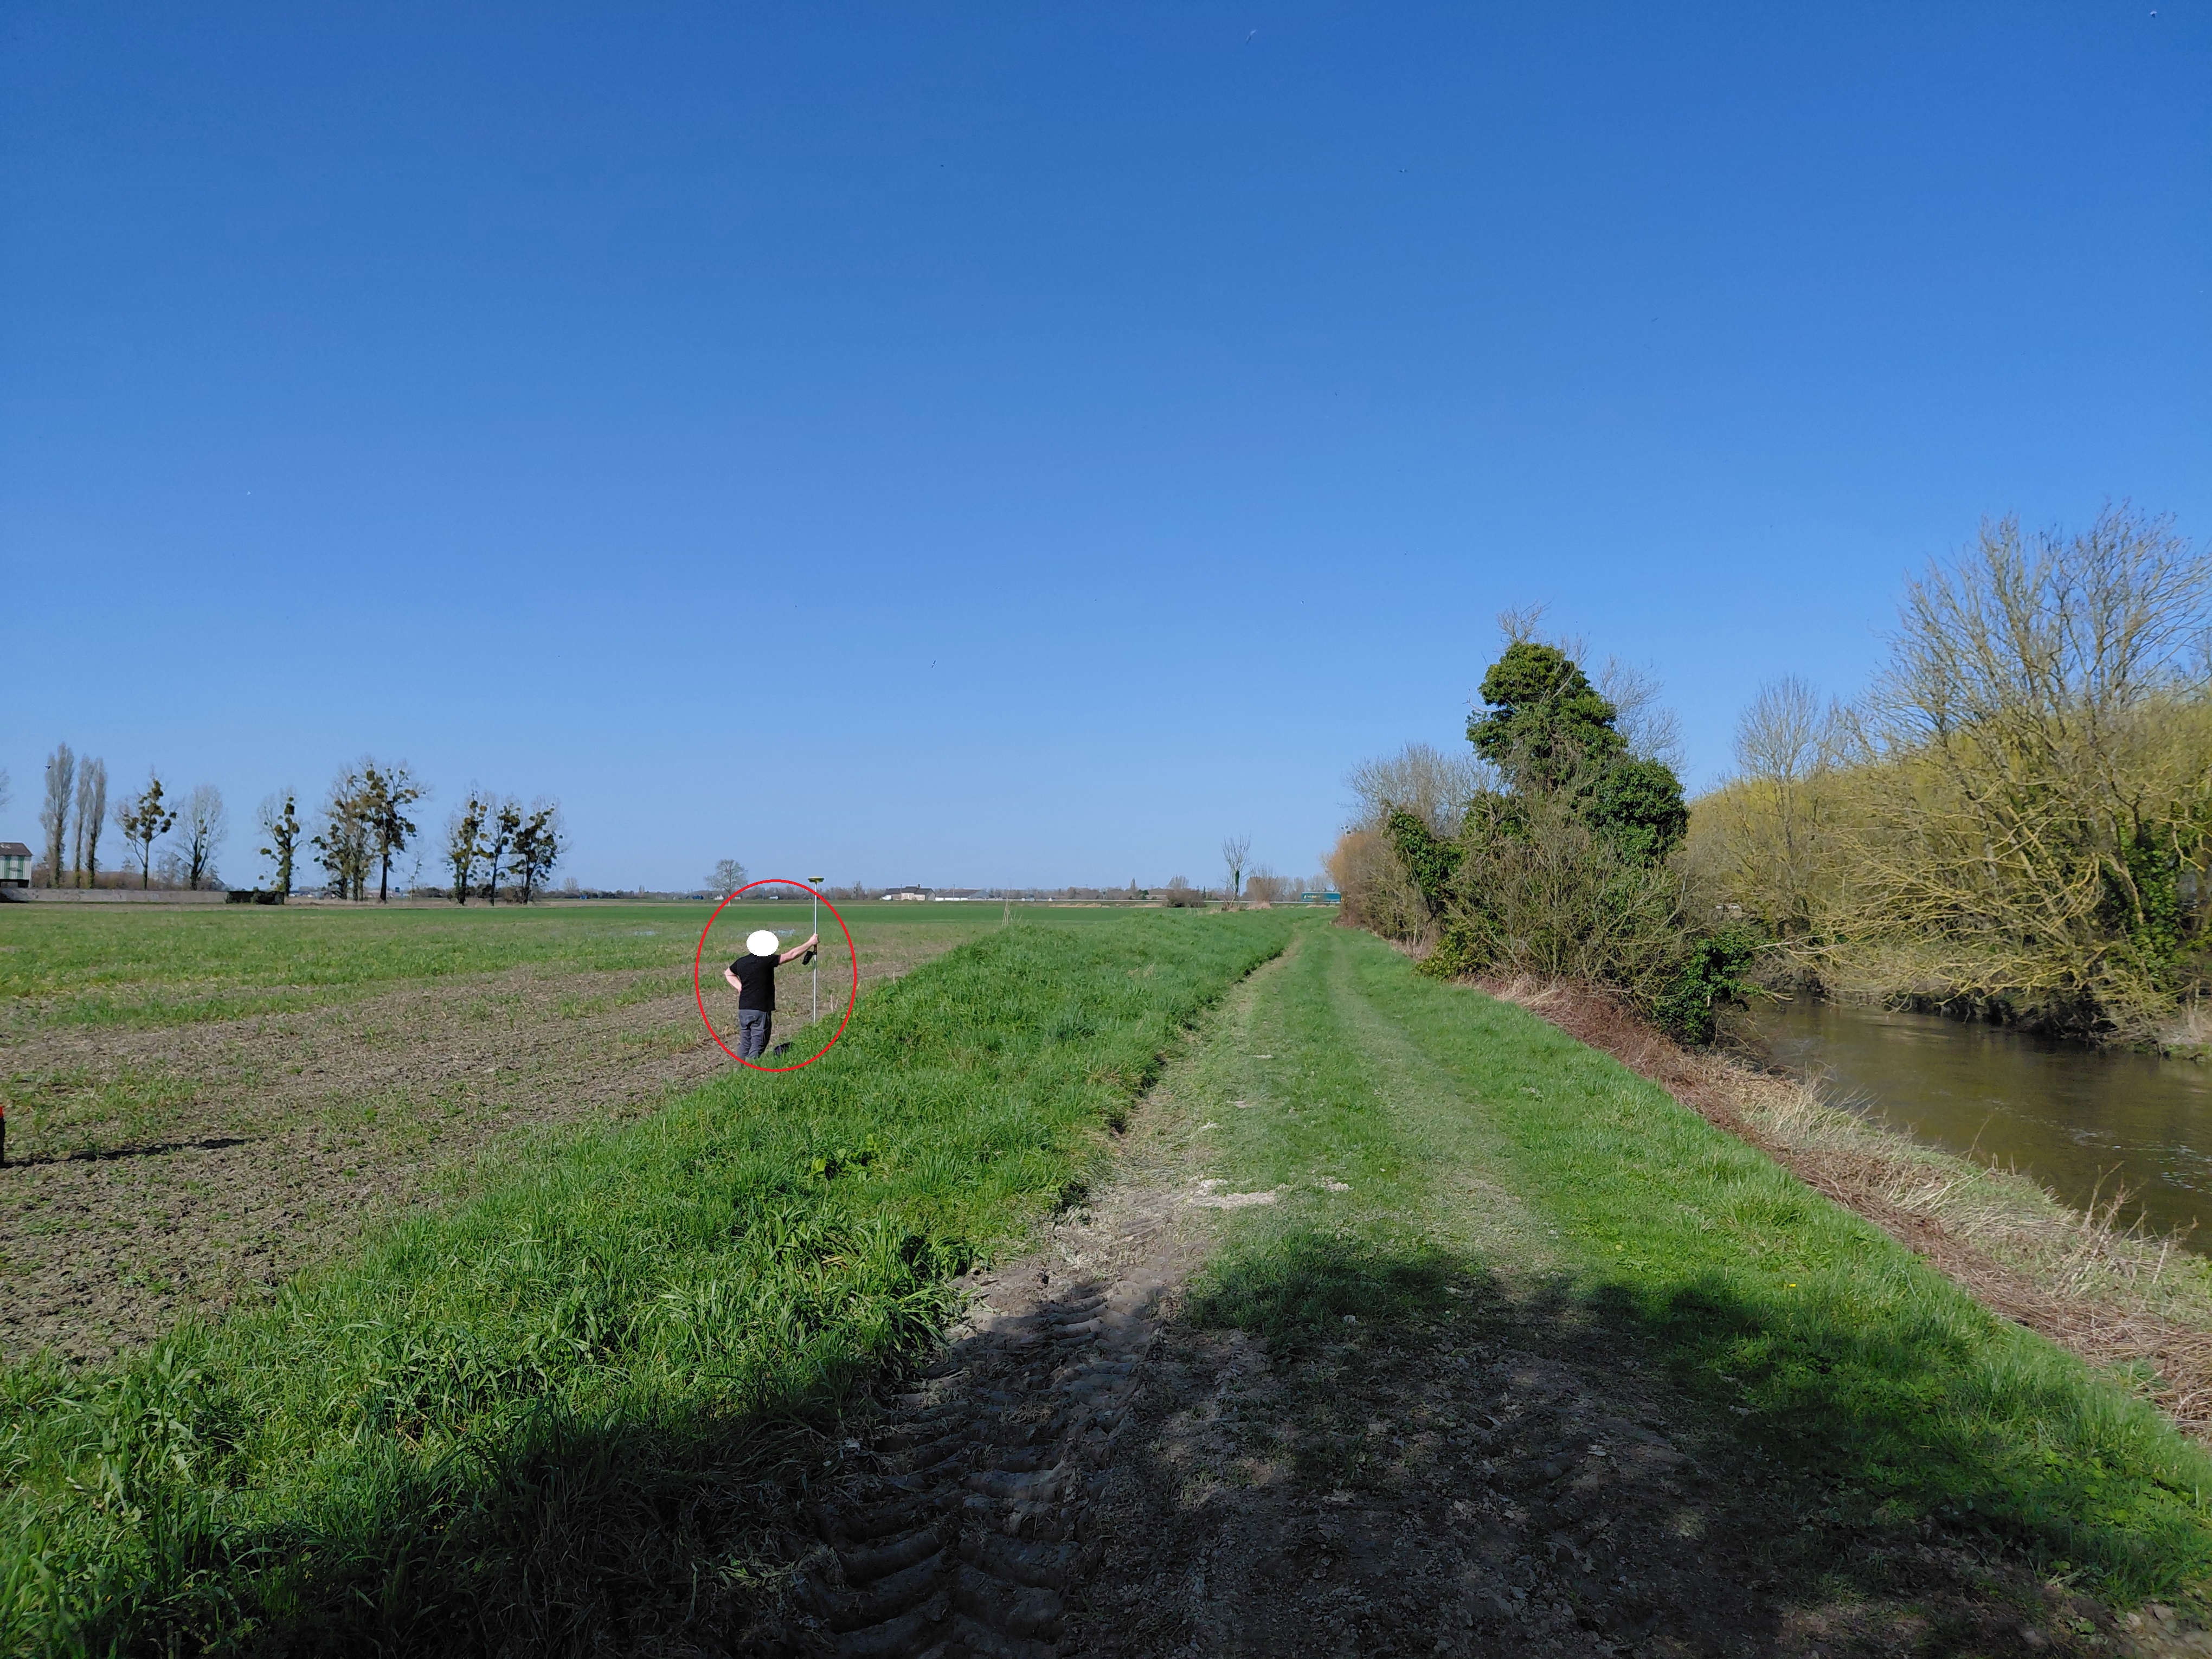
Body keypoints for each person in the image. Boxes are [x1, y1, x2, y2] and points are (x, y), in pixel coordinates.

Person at [724, 926, 817, 1062]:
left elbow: (728, 973)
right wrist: (810, 943)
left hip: (744, 1009)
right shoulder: (765, 960)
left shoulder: (742, 962)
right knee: (758, 1044)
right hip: (760, 1009)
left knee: (745, 1043)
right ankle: (751, 1071)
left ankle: (740, 1071)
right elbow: (791, 955)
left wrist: (740, 987)